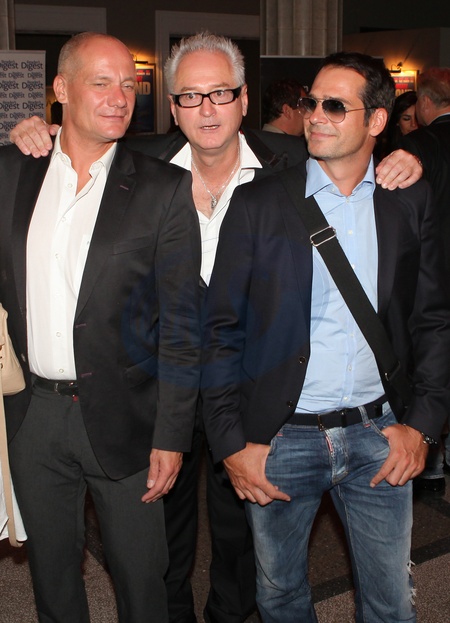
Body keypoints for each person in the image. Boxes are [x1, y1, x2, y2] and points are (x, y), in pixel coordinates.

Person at [9, 33, 424, 623]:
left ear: (244, 99)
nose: (206, 109)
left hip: (251, 387)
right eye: (189, 96)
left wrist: (406, 158)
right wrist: (37, 130)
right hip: (158, 387)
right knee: (164, 535)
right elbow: (75, 144)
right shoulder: (141, 164)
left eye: (221, 93)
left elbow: (355, 155)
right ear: (171, 106)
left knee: (242, 538)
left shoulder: (294, 160)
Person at [201, 51, 450, 623]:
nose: (316, 115)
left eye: (335, 106)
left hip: (380, 433)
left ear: (378, 120)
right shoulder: (260, 202)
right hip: (280, 438)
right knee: (280, 596)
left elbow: (433, 320)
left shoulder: (407, 199)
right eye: (311, 103)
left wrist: (423, 427)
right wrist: (231, 443)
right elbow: (219, 330)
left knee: (391, 603)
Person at [0, 32, 201, 623]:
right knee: (52, 576)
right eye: (101, 82)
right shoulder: (11, 170)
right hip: (32, 414)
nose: (120, 97)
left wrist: (172, 435)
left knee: (142, 577)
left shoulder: (163, 187)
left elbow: (182, 324)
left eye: (129, 84)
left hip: (128, 416)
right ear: (61, 89)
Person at [400, 67, 450, 494]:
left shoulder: (418, 146)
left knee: (429, 357)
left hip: (433, 272)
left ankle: (430, 464)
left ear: (426, 103)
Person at [378, 90, 418, 156]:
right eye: (406, 119)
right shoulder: (386, 152)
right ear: (397, 121)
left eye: (417, 118)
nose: (413, 124)